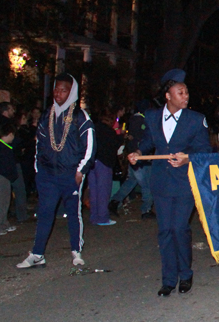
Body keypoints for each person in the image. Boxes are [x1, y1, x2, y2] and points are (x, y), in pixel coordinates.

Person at [128, 69, 211, 296]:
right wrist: (137, 152)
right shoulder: (153, 116)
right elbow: (148, 142)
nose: (185, 96)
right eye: (180, 92)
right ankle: (168, 279)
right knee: (165, 230)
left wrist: (188, 159)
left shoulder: (196, 120)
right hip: (161, 181)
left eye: (186, 92)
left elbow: (204, 151)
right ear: (168, 95)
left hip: (185, 182)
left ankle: (185, 274)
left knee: (179, 228)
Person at [17, 73, 96, 269]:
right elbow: (40, 144)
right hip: (47, 174)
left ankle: (76, 251)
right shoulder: (47, 115)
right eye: (56, 89)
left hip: (70, 173)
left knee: (73, 212)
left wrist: (81, 170)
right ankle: (37, 253)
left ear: (72, 92)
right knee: (45, 212)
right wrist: (38, 169)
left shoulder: (80, 116)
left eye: (64, 90)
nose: (59, 94)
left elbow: (90, 145)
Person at [109, 100, 155, 219]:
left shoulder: (133, 120)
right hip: (140, 158)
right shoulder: (141, 121)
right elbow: (145, 140)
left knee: (131, 182)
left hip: (134, 156)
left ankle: (114, 201)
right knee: (147, 184)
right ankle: (146, 209)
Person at [89, 110, 122, 226]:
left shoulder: (93, 128)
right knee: (103, 191)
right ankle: (102, 217)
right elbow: (116, 145)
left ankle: (94, 216)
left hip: (92, 162)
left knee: (94, 190)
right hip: (104, 162)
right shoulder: (109, 132)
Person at [0, 123, 20, 236]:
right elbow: (7, 165)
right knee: (2, 202)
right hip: (2, 177)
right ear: (10, 134)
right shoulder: (4, 148)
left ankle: (3, 223)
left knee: (1, 201)